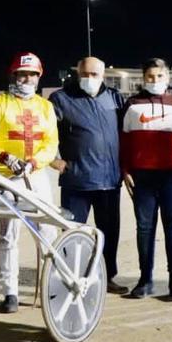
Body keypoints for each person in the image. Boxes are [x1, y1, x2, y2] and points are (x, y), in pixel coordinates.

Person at [0, 51, 62, 314]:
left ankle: (52, 286)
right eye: (22, 74)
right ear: (14, 75)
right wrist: (3, 156)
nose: (27, 79)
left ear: (38, 77)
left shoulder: (45, 107)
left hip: (36, 175)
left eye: (32, 74)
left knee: (48, 232)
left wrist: (35, 162)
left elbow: (51, 143)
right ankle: (10, 292)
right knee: (8, 236)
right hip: (7, 176)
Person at [49, 56, 125, 294]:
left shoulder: (114, 98)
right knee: (72, 234)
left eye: (94, 75)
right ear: (77, 73)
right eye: (85, 74)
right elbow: (45, 131)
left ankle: (107, 276)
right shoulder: (61, 99)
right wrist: (53, 158)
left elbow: (127, 133)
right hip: (76, 182)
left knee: (109, 234)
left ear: (103, 76)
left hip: (109, 181)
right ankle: (70, 278)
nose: (89, 79)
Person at [120, 58, 172, 300]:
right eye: (150, 76)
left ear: (167, 79)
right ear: (143, 78)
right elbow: (124, 141)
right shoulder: (132, 105)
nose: (155, 81)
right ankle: (145, 280)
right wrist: (125, 170)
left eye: (159, 76)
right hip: (143, 175)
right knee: (145, 228)